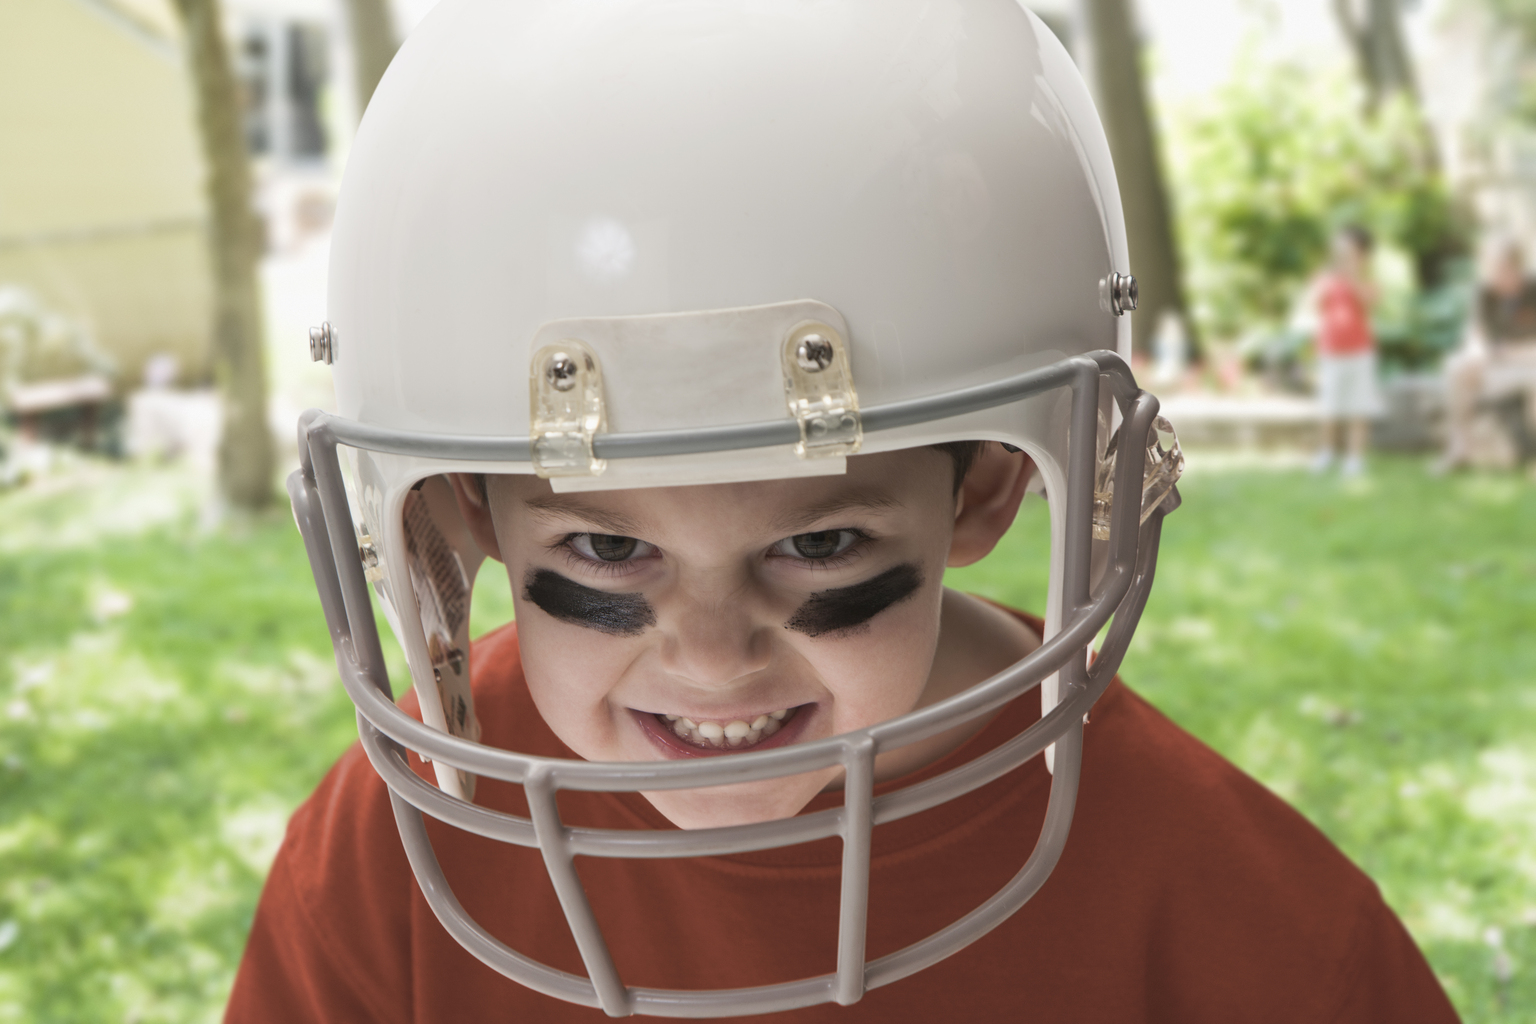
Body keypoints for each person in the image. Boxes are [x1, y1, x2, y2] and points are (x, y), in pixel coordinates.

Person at [228, 2, 1458, 1020]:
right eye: (609, 544)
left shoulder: (1251, 932)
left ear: (983, 485)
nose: (712, 657)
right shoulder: (387, 860)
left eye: (818, 542)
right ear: (462, 514)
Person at [1437, 240, 1536, 472]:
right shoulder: (1483, 292)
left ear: (1517, 267)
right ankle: (1460, 450)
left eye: (1500, 268)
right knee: (1456, 367)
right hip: (1499, 365)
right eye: (1490, 267)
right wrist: (1477, 353)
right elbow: (1475, 336)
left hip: (1529, 365)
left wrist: (1508, 352)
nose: (1493, 274)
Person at [1310, 226, 1384, 477]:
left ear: (1363, 256)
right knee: (1329, 406)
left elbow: (1370, 303)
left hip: (1360, 353)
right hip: (1331, 352)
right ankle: (1327, 451)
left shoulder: (1367, 281)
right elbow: (1315, 304)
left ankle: (1355, 456)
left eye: (1350, 253)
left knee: (1358, 407)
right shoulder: (1327, 279)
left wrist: (1353, 278)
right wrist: (1327, 282)